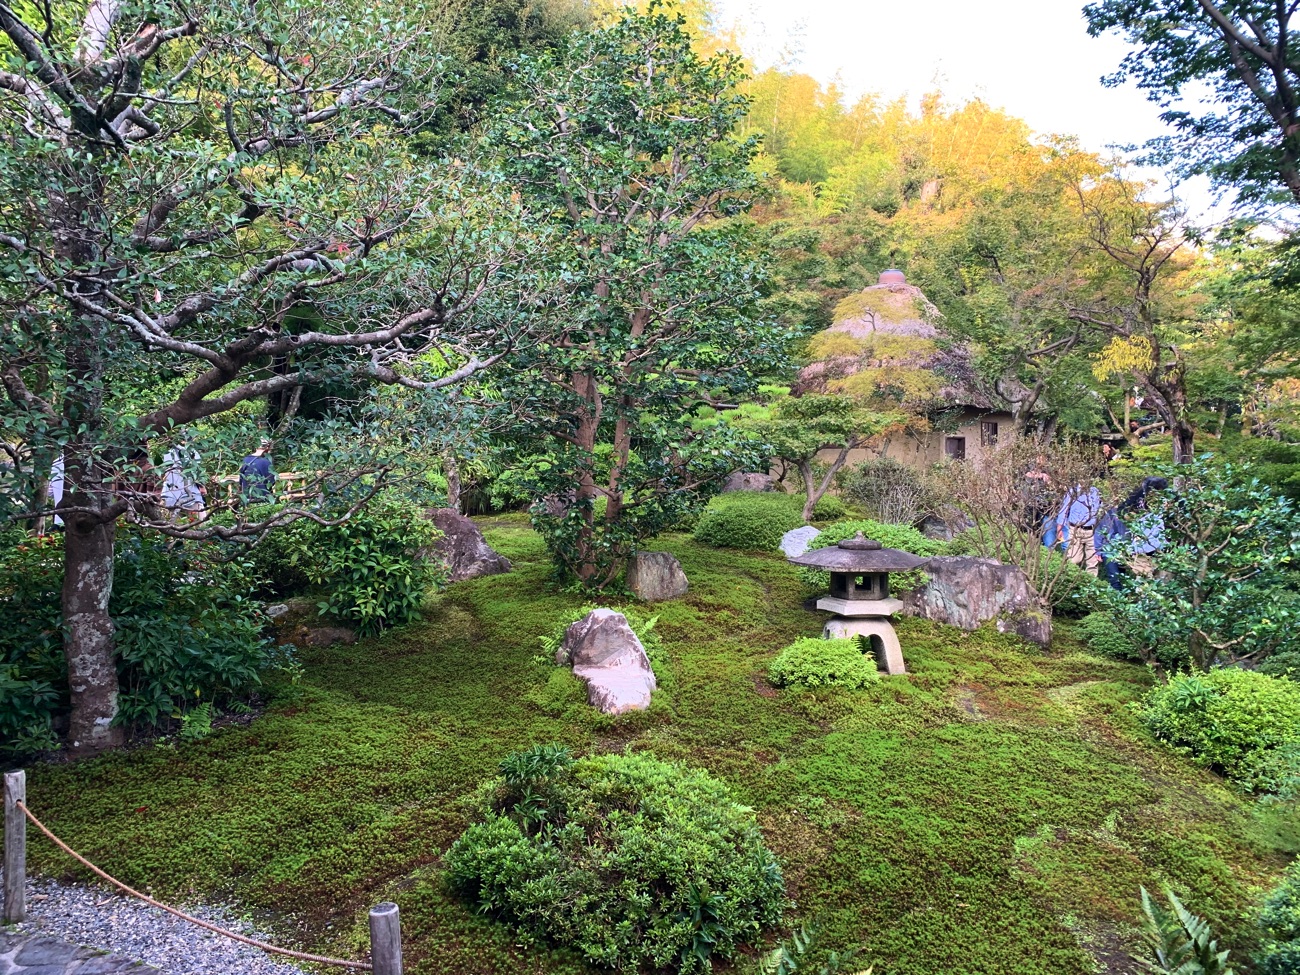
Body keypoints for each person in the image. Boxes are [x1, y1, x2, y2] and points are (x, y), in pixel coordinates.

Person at [1096, 476, 1168, 590]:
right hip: (1143, 547)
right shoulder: (1138, 499)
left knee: (1154, 579)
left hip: (1155, 546)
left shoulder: (1161, 502)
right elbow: (1121, 513)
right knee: (1144, 579)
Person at [1053, 483, 1103, 575]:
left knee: (1092, 563)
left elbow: (1101, 511)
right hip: (1074, 529)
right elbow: (1064, 510)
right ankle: (1068, 579)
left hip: (1092, 531)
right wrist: (1059, 527)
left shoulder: (1095, 492)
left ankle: (1090, 585)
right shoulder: (1072, 492)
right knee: (1073, 559)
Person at [161, 443, 206, 518]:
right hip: (192, 496)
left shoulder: (167, 454)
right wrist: (202, 486)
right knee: (199, 524)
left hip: (172, 496)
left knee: (176, 526)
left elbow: (165, 474)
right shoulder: (192, 452)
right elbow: (197, 472)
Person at [238, 438, 275, 502]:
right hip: (263, 498)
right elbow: (271, 483)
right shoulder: (267, 462)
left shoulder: (245, 460)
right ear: (267, 448)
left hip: (247, 498)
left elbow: (241, 481)